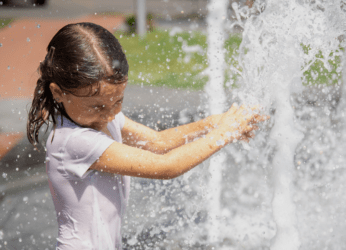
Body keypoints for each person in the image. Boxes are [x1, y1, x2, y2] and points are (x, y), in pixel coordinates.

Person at [26, 22, 267, 250]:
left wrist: (214, 123)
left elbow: (157, 143)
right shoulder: (73, 141)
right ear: (57, 92)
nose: (110, 115)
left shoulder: (101, 117)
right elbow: (166, 167)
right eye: (97, 107)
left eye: (118, 101)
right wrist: (225, 133)